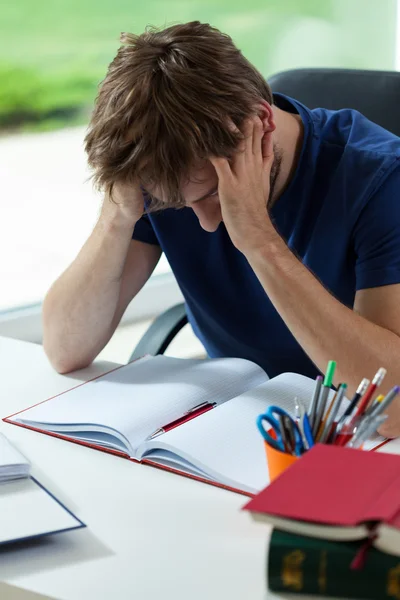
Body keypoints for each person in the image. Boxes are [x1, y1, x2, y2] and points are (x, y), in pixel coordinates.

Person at [43, 21, 400, 437]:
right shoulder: (171, 178)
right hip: (234, 418)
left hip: (349, 438)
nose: (206, 223)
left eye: (212, 195)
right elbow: (64, 348)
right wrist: (118, 215)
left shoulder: (381, 181)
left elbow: (391, 409)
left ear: (261, 124)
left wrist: (259, 240)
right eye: (177, 203)